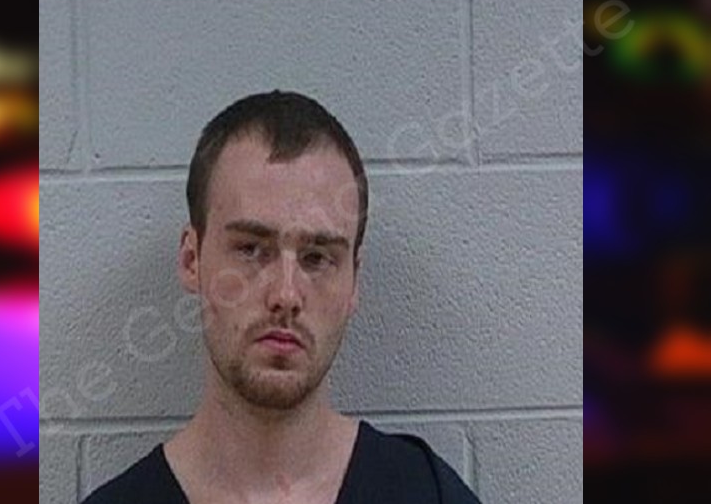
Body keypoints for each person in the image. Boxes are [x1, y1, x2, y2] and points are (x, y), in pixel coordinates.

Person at [82, 91, 481, 504]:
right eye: (250, 249)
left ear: (353, 280)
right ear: (191, 260)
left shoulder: (427, 493)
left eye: (317, 258)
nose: (286, 295)